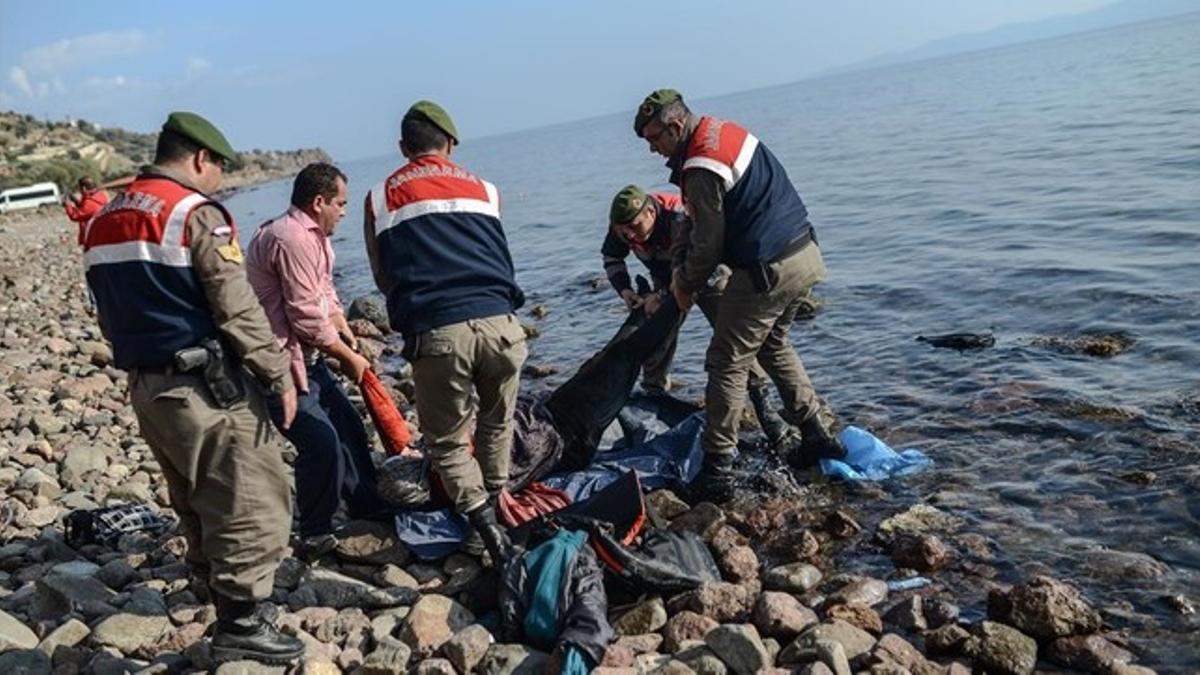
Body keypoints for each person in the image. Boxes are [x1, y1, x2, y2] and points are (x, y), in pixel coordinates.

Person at [82, 111, 303, 665]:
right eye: (219, 169)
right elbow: (236, 305)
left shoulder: (105, 217)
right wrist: (277, 374)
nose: (220, 182)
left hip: (149, 385)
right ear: (200, 159)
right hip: (205, 386)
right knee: (249, 495)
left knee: (192, 492)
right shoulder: (191, 214)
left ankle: (212, 583)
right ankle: (242, 621)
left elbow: (107, 310)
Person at [633, 89, 846, 503]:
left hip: (767, 268)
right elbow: (694, 224)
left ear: (676, 127)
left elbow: (709, 244)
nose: (652, 150)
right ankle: (818, 433)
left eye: (653, 138)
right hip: (805, 253)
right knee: (773, 344)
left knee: (726, 362)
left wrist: (685, 285)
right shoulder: (721, 132)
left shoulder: (700, 165)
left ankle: (717, 471)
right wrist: (680, 267)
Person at [364, 100, 527, 561]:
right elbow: (498, 256)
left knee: (448, 441)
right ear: (451, 145)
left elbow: (383, 276)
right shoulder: (485, 190)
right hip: (502, 326)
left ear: (403, 148)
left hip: (439, 333)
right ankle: (496, 500)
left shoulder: (381, 197)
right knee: (497, 421)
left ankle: (482, 528)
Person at [245, 162, 392, 559]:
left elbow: (324, 292)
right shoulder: (289, 238)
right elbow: (305, 318)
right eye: (340, 204)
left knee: (348, 427)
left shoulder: (315, 237)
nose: (344, 211)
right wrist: (347, 357)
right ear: (319, 202)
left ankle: (366, 506)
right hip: (278, 364)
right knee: (321, 442)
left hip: (306, 359)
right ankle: (314, 529)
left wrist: (343, 323)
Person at [604, 184, 796, 448]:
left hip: (709, 273)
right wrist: (626, 290)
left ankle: (764, 406)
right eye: (622, 230)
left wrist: (664, 295)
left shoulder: (680, 217)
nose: (628, 235)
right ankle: (654, 395)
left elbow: (705, 258)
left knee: (733, 340)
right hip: (666, 276)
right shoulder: (622, 226)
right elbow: (612, 257)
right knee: (655, 333)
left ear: (651, 212)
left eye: (634, 227)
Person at [63, 176, 109, 245]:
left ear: (84, 188)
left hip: (93, 238)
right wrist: (75, 201)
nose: (79, 191)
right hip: (100, 235)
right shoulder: (99, 196)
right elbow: (85, 208)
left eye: (79, 188)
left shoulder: (90, 203)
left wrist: (67, 205)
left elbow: (75, 216)